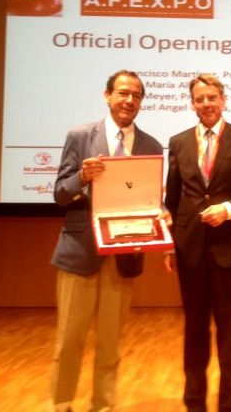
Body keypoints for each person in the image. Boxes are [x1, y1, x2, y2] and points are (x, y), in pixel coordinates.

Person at [50, 70, 167, 412]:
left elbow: (150, 200)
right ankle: (61, 403)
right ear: (107, 95)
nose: (129, 100)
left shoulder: (150, 146)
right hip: (80, 252)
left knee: (110, 341)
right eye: (122, 93)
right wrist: (81, 177)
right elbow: (60, 194)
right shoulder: (80, 135)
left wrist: (161, 213)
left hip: (124, 253)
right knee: (69, 339)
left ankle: (103, 404)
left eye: (136, 96)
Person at [164, 73, 231, 412]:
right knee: (194, 330)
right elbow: (172, 200)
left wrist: (228, 209)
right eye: (199, 99)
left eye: (212, 97)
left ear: (223, 100)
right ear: (192, 103)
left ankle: (230, 405)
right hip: (190, 249)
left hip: (230, 248)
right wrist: (169, 244)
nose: (206, 104)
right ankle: (194, 402)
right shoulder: (178, 142)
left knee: (228, 331)